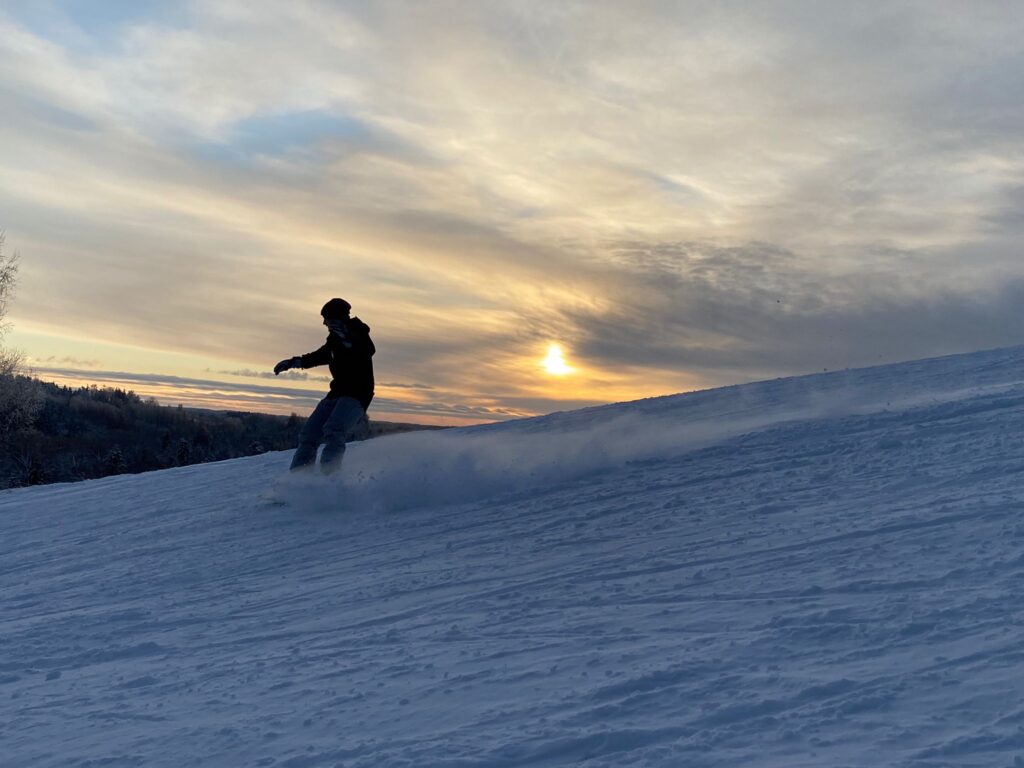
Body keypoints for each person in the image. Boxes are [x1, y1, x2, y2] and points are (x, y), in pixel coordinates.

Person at [274, 298, 375, 473]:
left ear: (336, 318)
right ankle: (299, 479)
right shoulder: (335, 340)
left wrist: (348, 338)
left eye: (326, 319)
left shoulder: (358, 333)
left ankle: (330, 479)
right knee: (309, 434)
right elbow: (320, 356)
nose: (324, 323)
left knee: (334, 430)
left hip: (357, 395)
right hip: (336, 393)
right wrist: (293, 362)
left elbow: (366, 349)